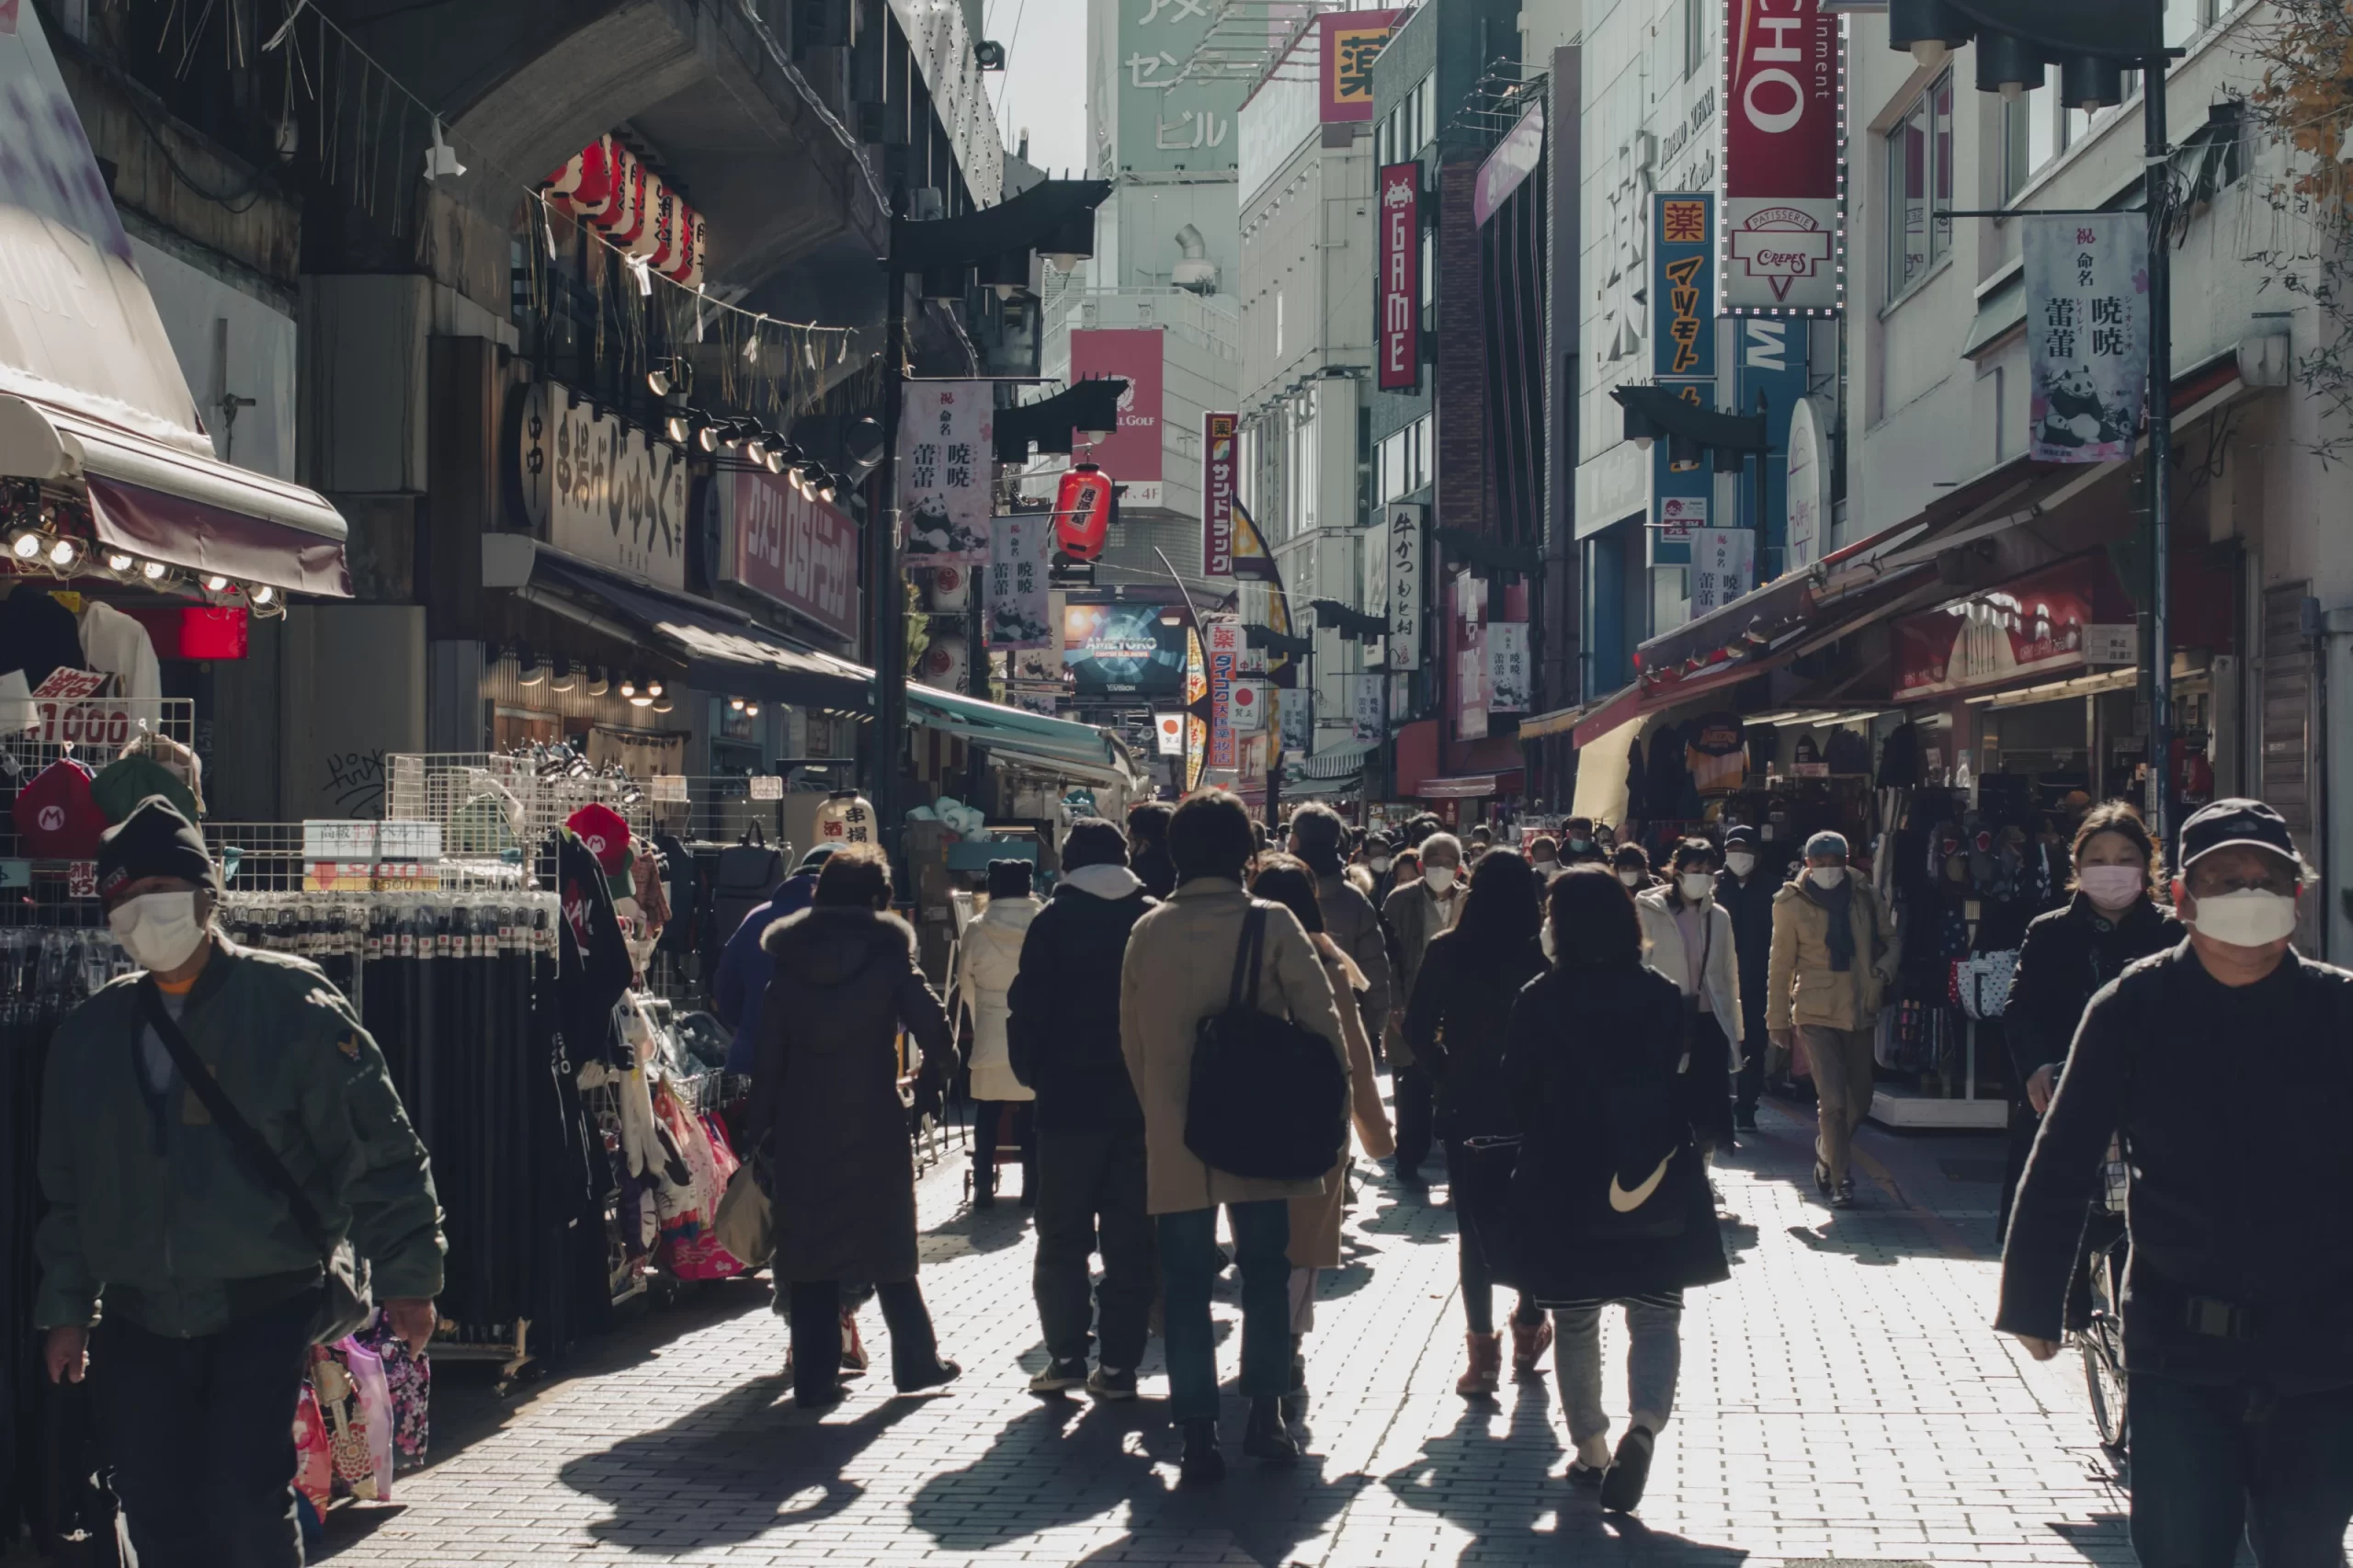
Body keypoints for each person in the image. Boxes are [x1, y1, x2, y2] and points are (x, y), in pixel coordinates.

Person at [38, 798, 444, 1564]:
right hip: (137, 1314)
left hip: (262, 1300)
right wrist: (67, 1309)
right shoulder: (87, 1037)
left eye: (158, 885)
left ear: (205, 892)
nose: (140, 907)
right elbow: (67, 1192)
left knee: (247, 1499)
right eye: (123, 895)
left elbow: (380, 1150)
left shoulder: (292, 1005)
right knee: (156, 1506)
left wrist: (410, 1280)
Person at [2000, 798, 2353, 1568]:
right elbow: (2063, 1157)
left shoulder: (2339, 1006)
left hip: (2321, 1353)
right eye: (2227, 879)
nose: (2249, 895)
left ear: (2298, 895)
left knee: (2307, 1550)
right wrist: (2033, 1301)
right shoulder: (2132, 1005)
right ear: (2185, 897)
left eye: (2268, 879)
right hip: (2178, 1351)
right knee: (2184, 1549)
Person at [1120, 790, 1351, 1483]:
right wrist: (1328, 1112)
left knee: (1187, 1281)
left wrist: (1162, 1113)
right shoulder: (1273, 922)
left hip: (1177, 1132)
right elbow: (1324, 1027)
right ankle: (1266, 1415)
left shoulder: (1148, 932)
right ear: (1246, 855)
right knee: (1266, 1273)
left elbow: (1131, 1043)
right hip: (1262, 1127)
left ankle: (1195, 1429)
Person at [1502, 866, 1730, 1513]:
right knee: (1656, 1312)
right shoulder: (1659, 993)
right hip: (1650, 1168)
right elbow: (1671, 1070)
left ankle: (1593, 1449)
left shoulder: (1540, 997)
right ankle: (1646, 1426)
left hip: (1564, 1172)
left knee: (1575, 1319)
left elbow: (1514, 1086)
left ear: (1560, 926)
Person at [747, 846, 961, 1407]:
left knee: (810, 1253)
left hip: (800, 1122)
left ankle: (814, 1380)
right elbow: (937, 1033)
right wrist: (930, 1085)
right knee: (889, 1248)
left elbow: (768, 1057)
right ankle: (916, 1363)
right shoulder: (890, 958)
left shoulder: (788, 962)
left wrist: (760, 1129)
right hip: (873, 1121)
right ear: (877, 899)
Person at [1006, 820, 1157, 1400]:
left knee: (1063, 1234)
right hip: (1140, 1102)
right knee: (1130, 1238)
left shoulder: (1053, 919)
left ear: (1069, 862)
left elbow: (1028, 1009)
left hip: (1067, 1104)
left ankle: (1067, 1354)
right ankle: (1119, 1366)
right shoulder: (1150, 915)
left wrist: (1036, 1076)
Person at [1247, 856, 1393, 1414]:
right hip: (1317, 1120)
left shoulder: (1240, 954)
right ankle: (1285, 1342)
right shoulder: (1327, 961)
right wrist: (1377, 1135)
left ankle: (1269, 1339)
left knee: (1260, 1240)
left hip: (1250, 1119)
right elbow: (1352, 1052)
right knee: (1302, 1245)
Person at [1403, 848, 1551, 1395]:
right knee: (1534, 1217)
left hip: (1469, 1106)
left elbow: (1417, 1029)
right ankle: (1530, 1325)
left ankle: (1481, 1355)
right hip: (1534, 1108)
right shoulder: (1541, 954)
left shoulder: (1448, 950)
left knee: (1472, 1230)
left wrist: (1446, 1074)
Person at [1998, 803, 2179, 1242]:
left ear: (2147, 866)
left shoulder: (2176, 935)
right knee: (2056, 1242)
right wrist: (2037, 1066)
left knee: (2149, 1243)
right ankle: (2071, 1311)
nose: (2111, 870)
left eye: (2125, 859)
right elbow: (2020, 1008)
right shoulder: (2048, 932)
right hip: (2062, 1099)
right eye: (2097, 860)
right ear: (2077, 866)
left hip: (2153, 1114)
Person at [1766, 831, 1900, 1209]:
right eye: (1819, 863)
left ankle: (1826, 1151)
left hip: (1860, 1009)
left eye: (1834, 862)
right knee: (1834, 1101)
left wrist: (1881, 973)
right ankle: (1841, 1179)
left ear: (1846, 862)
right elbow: (1780, 966)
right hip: (1814, 1011)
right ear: (1807, 864)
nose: (1827, 869)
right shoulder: (1790, 903)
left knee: (1861, 1099)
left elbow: (1892, 941)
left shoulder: (1865, 894)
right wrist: (1776, 1020)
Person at [1634, 839, 1743, 1157]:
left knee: (1708, 1105)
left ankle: (1702, 1174)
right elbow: (1638, 963)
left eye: (1710, 870)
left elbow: (1728, 972)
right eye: (1697, 869)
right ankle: (1667, 1170)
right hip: (1663, 1019)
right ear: (1678, 870)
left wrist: (1735, 1030)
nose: (1704, 876)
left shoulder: (1719, 917)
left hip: (1709, 1019)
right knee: (1666, 1099)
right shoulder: (1649, 911)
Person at [1382, 831, 1466, 1188]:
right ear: (1420, 865)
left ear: (1459, 868)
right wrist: (1395, 1006)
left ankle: (1455, 1158)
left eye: (1448, 862)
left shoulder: (1471, 901)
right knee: (1411, 1089)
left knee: (1453, 1088)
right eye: (1434, 862)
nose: (1441, 869)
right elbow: (1386, 959)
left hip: (1459, 1012)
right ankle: (1408, 1157)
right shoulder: (1399, 901)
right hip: (1411, 1010)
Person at [957, 859, 1041, 1208]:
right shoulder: (1044, 922)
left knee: (988, 1114)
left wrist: (982, 1017)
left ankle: (981, 1190)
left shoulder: (978, 928)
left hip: (992, 1026)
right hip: (1034, 1030)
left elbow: (965, 982)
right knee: (1031, 1114)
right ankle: (1032, 1189)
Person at [716, 844, 836, 1073]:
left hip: (755, 1066)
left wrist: (752, 1021)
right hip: (830, 1077)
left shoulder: (756, 918)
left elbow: (726, 996)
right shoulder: (854, 926)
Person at [1290, 803, 1394, 1049]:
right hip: (1342, 1026)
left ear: (1294, 840)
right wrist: (1371, 1028)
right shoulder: (1354, 899)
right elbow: (1375, 969)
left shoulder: (1275, 891)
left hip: (1281, 1027)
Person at [1714, 826, 1776, 1131]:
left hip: (1756, 982)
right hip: (1716, 983)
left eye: (1745, 851)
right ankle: (1717, 1105)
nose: (1739, 857)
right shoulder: (1714, 887)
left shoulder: (1773, 891)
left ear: (1758, 855)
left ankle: (1746, 1108)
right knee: (1715, 1046)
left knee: (1753, 1045)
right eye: (1733, 850)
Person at [1128, 801, 1177, 900]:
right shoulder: (1183, 870)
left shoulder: (1134, 880)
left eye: (1130, 840)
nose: (1127, 849)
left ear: (1145, 844)